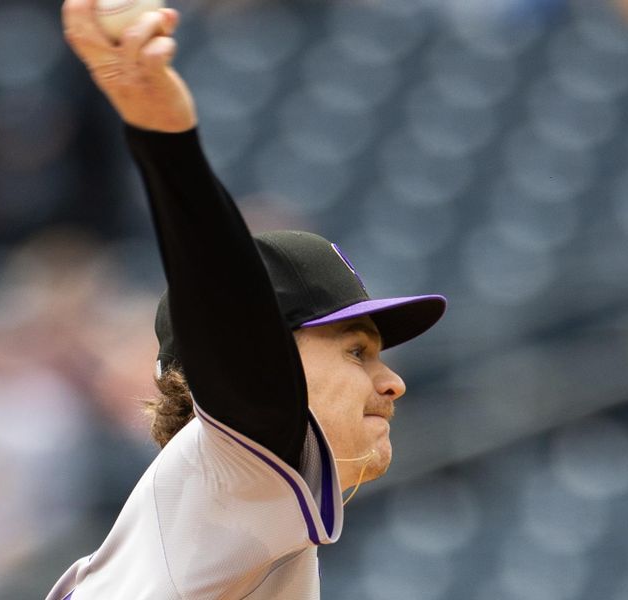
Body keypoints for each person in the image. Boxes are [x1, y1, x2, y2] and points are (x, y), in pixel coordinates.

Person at [47, 2, 447, 598]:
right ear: (261, 361)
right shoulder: (244, 464)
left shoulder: (229, 515)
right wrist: (167, 143)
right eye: (355, 352)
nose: (393, 382)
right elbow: (227, 302)